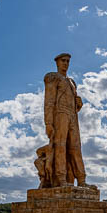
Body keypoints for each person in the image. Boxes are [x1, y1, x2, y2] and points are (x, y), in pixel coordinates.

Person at [43, 53, 87, 187]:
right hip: (60, 114)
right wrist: (48, 123)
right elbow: (49, 101)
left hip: (73, 115)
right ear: (57, 62)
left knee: (75, 147)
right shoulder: (52, 77)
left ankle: (81, 180)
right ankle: (61, 178)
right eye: (63, 61)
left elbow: (72, 102)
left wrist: (78, 104)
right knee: (60, 145)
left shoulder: (72, 82)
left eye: (68, 61)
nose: (66, 63)